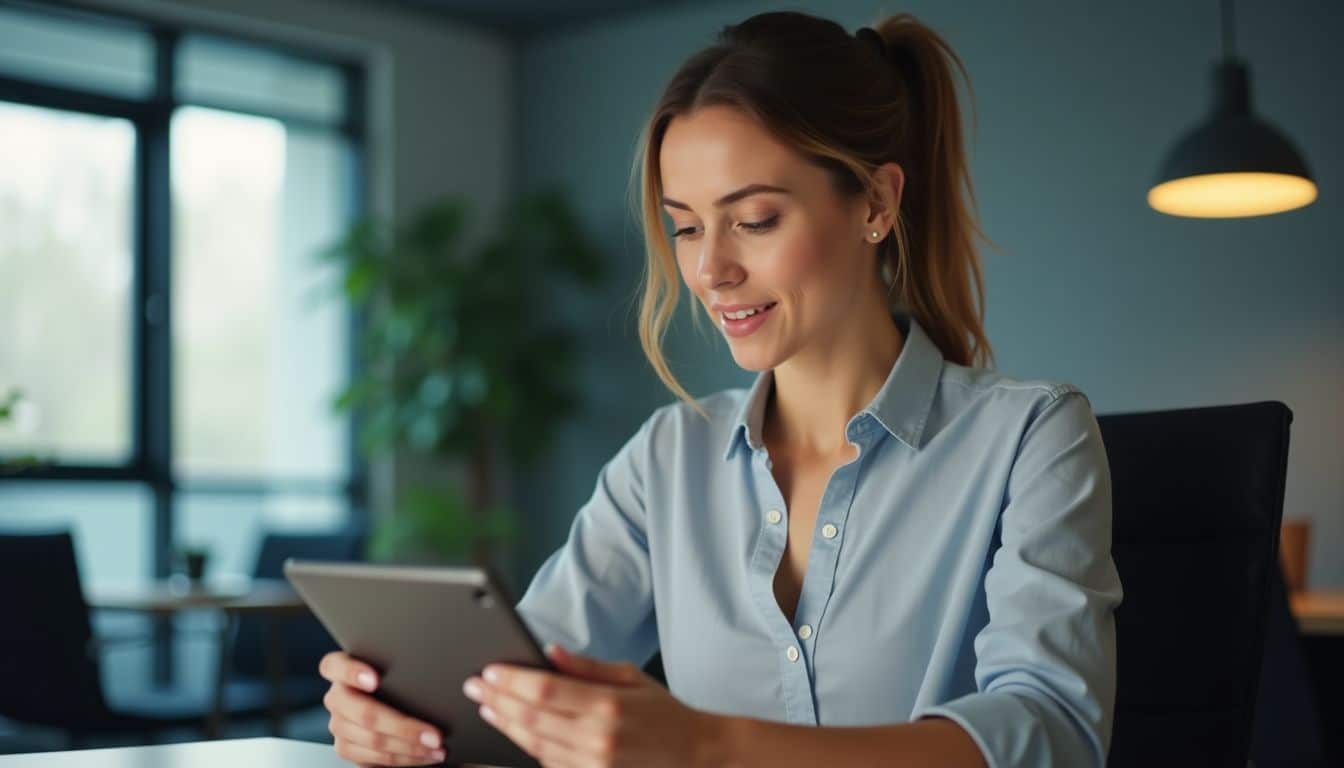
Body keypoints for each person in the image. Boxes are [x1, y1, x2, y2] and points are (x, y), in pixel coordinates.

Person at [318, 10, 1123, 767]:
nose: (711, 271)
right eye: (688, 226)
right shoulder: (668, 458)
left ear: (875, 202)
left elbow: (1052, 729)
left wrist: (707, 747)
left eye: (756, 219)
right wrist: (404, 713)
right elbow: (521, 679)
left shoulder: (1031, 437)